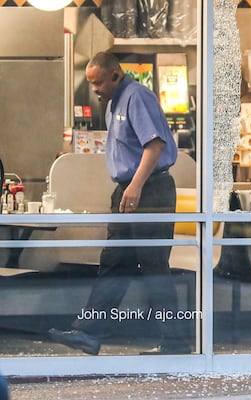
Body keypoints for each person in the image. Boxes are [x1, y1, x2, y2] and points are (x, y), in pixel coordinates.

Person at [49, 51, 190, 355]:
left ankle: (176, 342)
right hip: (128, 189)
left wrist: (136, 186)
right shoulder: (113, 101)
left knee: (154, 266)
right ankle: (89, 333)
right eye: (91, 84)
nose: (95, 89)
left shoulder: (137, 96)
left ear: (115, 74)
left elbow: (155, 146)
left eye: (98, 82)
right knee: (114, 263)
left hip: (149, 189)